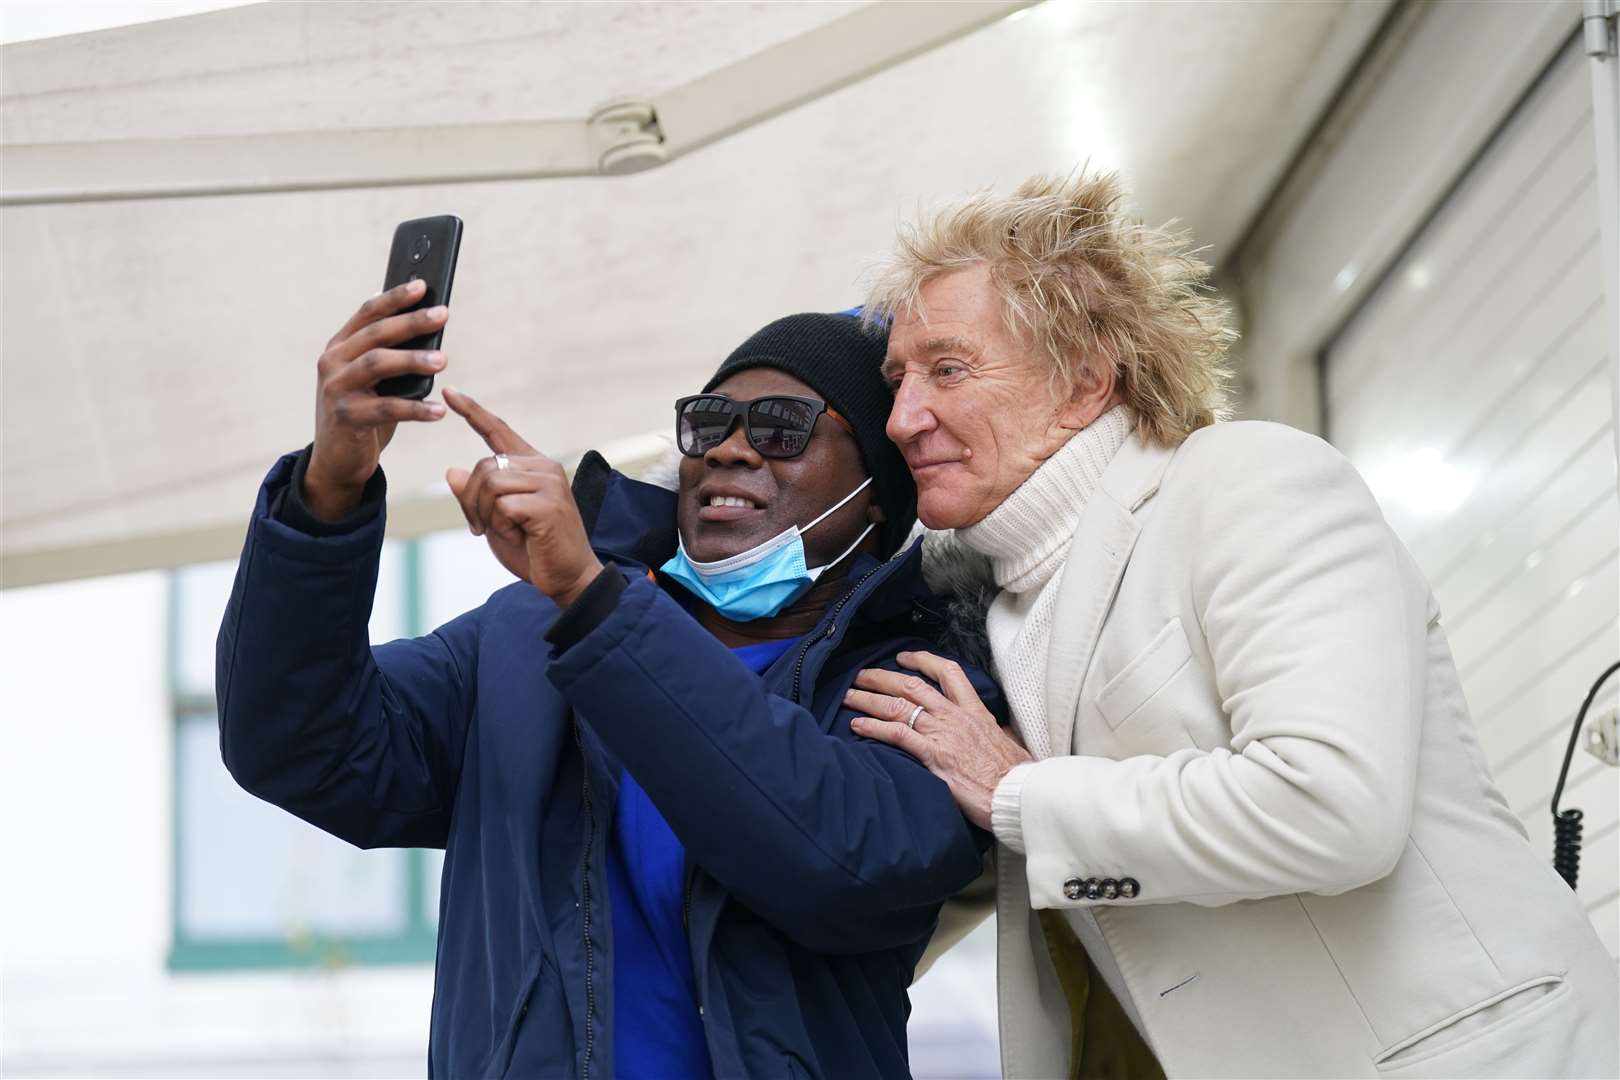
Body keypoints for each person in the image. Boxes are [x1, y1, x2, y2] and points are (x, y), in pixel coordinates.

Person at [841, 172, 1620, 1078]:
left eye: (948, 368)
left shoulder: (1248, 481)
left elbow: (1331, 806)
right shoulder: (991, 610)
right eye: (897, 379)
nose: (902, 419)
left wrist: (1019, 792)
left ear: (1087, 379)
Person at [215, 284, 1004, 1079]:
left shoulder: (928, 686)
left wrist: (594, 600)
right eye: (708, 423)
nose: (729, 449)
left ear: (877, 497)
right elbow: (302, 746)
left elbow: (842, 866)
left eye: (781, 426)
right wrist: (328, 492)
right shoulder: (524, 640)